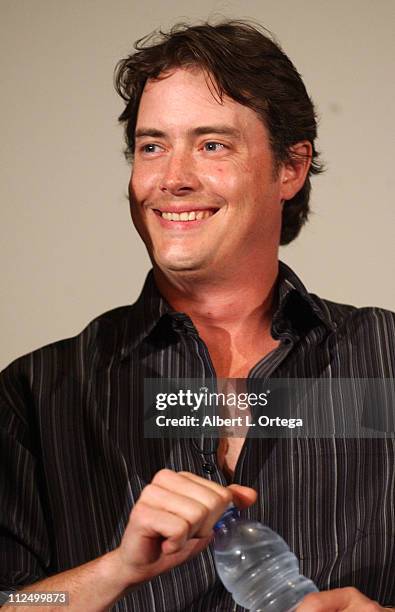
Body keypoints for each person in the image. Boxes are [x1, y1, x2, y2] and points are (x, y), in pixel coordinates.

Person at [0, 20, 394, 612]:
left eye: (212, 145)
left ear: (290, 167)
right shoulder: (36, 393)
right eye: (152, 146)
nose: (173, 178)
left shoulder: (386, 357)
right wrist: (114, 571)